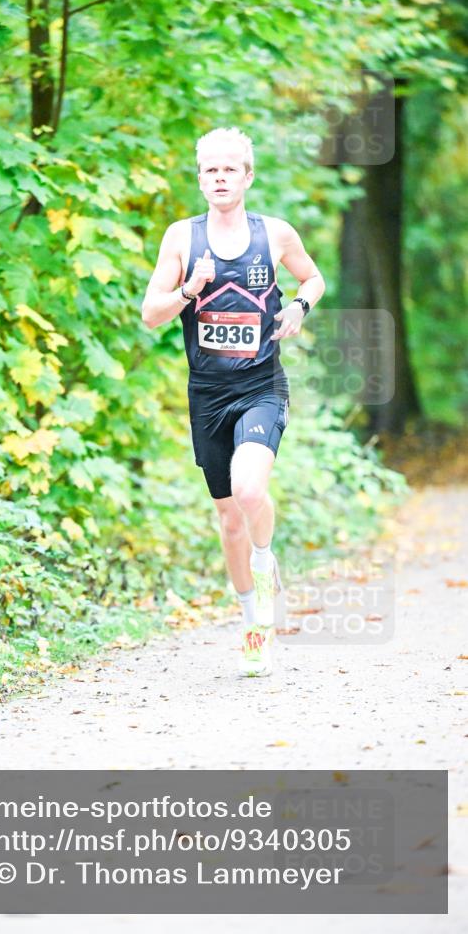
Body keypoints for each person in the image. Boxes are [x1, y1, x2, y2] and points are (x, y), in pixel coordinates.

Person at [141, 127, 325, 676]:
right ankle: (253, 622)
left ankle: (266, 562)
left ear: (247, 176)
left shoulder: (275, 234)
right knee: (227, 518)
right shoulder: (181, 238)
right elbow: (151, 314)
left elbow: (313, 278)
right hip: (208, 394)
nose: (219, 178)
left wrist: (297, 308)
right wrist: (189, 290)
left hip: (261, 385)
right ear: (200, 179)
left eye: (229, 170)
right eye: (209, 170)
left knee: (249, 488)